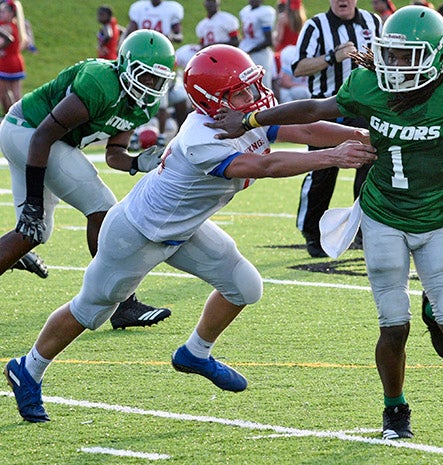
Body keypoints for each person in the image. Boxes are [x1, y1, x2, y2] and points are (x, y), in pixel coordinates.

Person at [207, 5, 443, 439]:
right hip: (381, 216)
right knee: (393, 325)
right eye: (391, 54)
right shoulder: (368, 83)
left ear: (435, 57)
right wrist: (250, 118)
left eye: (407, 55)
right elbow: (316, 107)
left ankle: (435, 309)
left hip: (436, 219)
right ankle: (395, 410)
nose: (395, 65)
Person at [2, 44, 376, 423]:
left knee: (245, 286)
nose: (254, 97)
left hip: (184, 228)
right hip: (137, 233)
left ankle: (195, 353)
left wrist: (365, 137)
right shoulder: (202, 138)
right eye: (241, 92)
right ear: (214, 101)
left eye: (252, 87)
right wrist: (331, 157)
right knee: (90, 310)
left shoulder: (243, 113)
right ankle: (27, 369)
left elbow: (307, 127)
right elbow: (267, 164)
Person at [0, 30, 177, 330]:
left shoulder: (140, 105)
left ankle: (14, 250)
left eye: (157, 80)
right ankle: (123, 304)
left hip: (32, 136)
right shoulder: (99, 81)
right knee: (103, 209)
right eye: (144, 76)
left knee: (34, 232)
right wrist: (32, 201)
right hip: (29, 132)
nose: (150, 86)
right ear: (125, 65)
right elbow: (44, 135)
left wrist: (136, 162)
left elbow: (114, 153)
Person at [289, 0, 381, 258]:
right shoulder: (316, 26)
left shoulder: (373, 23)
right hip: (325, 108)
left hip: (362, 108)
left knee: (370, 167)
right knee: (322, 171)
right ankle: (312, 233)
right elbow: (298, 68)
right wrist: (332, 57)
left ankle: (365, 228)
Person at [124, 0, 187, 147]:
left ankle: (161, 135)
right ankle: (133, 132)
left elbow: (179, 35)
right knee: (134, 96)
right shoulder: (139, 8)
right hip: (141, 59)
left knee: (161, 97)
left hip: (162, 58)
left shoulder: (172, 9)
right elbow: (130, 32)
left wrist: (169, 38)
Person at [239, 0, 276, 89]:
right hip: (247, 51)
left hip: (260, 54)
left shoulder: (266, 12)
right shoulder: (245, 11)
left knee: (261, 87)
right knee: (246, 86)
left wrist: (250, 50)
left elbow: (268, 41)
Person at [0, 0, 27, 115]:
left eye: (2, 12)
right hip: (17, 62)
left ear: (11, 14)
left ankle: (9, 116)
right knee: (17, 94)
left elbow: (4, 41)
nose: (0, 14)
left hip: (6, 63)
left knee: (3, 93)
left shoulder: (6, 27)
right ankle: (21, 115)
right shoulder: (17, 26)